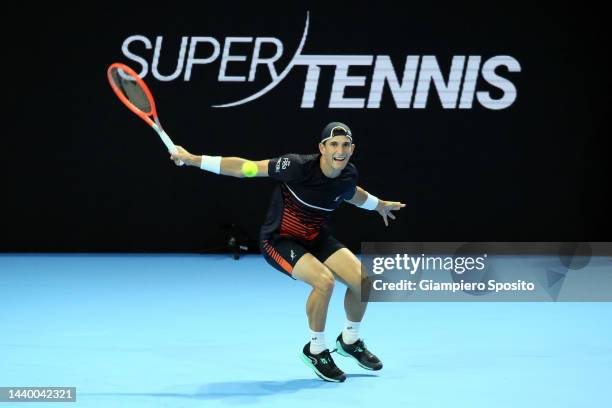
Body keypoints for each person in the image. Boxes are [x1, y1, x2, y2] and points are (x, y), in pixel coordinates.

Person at [170, 122, 405, 382]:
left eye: (345, 145)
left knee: (362, 281)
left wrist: (378, 205)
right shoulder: (296, 167)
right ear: (322, 148)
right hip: (279, 240)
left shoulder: (348, 174)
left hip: (315, 237)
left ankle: (349, 340)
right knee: (324, 282)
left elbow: (352, 194)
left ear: (352, 149)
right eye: (334, 144)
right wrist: (193, 159)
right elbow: (245, 168)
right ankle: (316, 349)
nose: (340, 150)